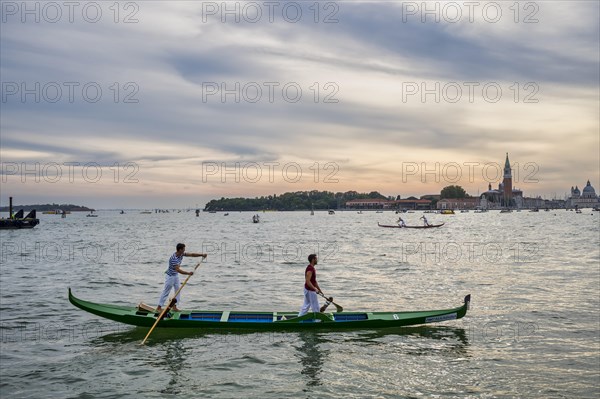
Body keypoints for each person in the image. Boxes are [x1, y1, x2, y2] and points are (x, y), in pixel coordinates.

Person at [156, 243, 207, 312]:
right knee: (166, 291)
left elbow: (192, 254)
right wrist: (188, 273)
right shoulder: (173, 258)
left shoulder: (181, 254)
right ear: (180, 250)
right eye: (183, 249)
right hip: (170, 276)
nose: (184, 250)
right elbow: (178, 270)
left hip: (175, 275)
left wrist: (202, 255)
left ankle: (174, 306)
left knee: (178, 290)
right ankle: (159, 307)